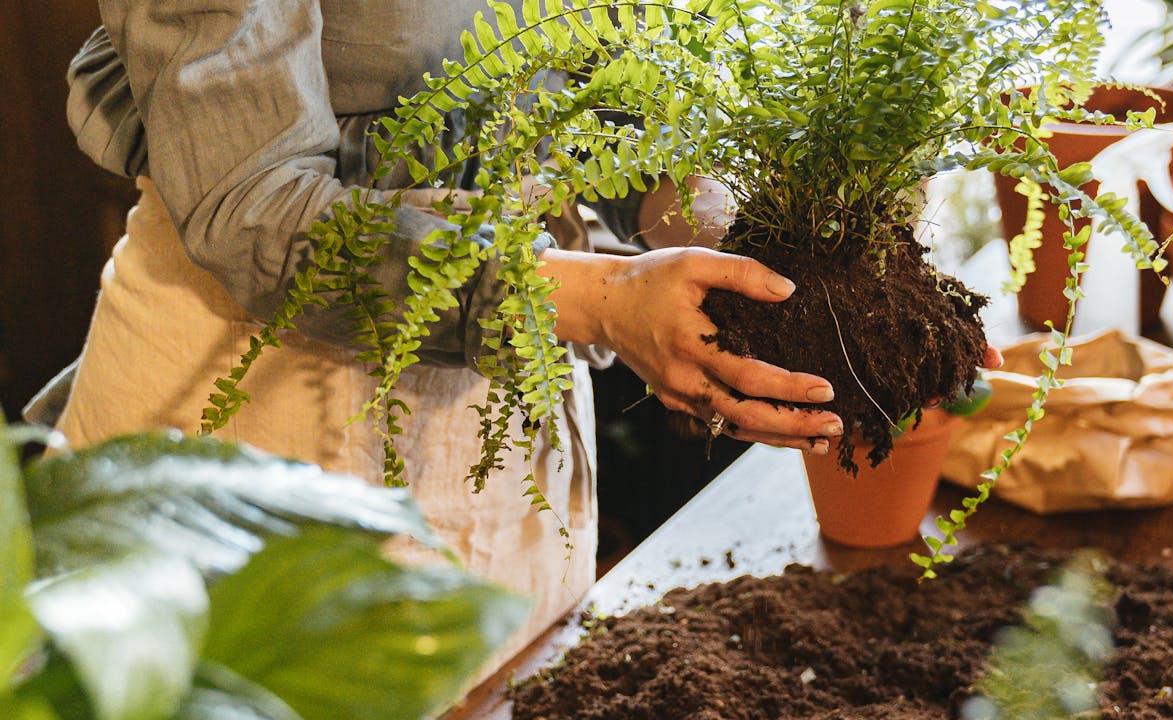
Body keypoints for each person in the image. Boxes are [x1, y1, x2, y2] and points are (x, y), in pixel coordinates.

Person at [52, 2, 851, 678]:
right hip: (261, 418)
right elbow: (251, 204)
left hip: (513, 433)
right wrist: (602, 303)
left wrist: (760, 247)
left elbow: (614, 128)